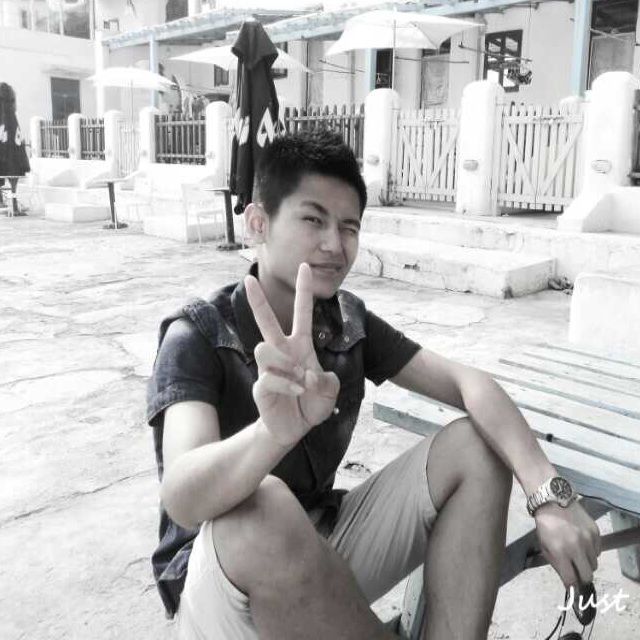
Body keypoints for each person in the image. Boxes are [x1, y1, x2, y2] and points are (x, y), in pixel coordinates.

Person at [146, 130, 601, 639]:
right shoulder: (198, 335)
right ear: (258, 223)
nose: (334, 245)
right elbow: (183, 498)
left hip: (320, 546)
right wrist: (269, 436)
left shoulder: (346, 322)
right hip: (221, 590)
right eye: (313, 219)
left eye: (349, 227)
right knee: (262, 508)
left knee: (477, 445)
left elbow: (468, 383)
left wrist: (550, 495)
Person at [0, 82, 30, 216]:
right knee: (13, 174)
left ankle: (5, 202)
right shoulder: (11, 117)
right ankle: (14, 205)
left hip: (4, 147)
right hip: (12, 149)